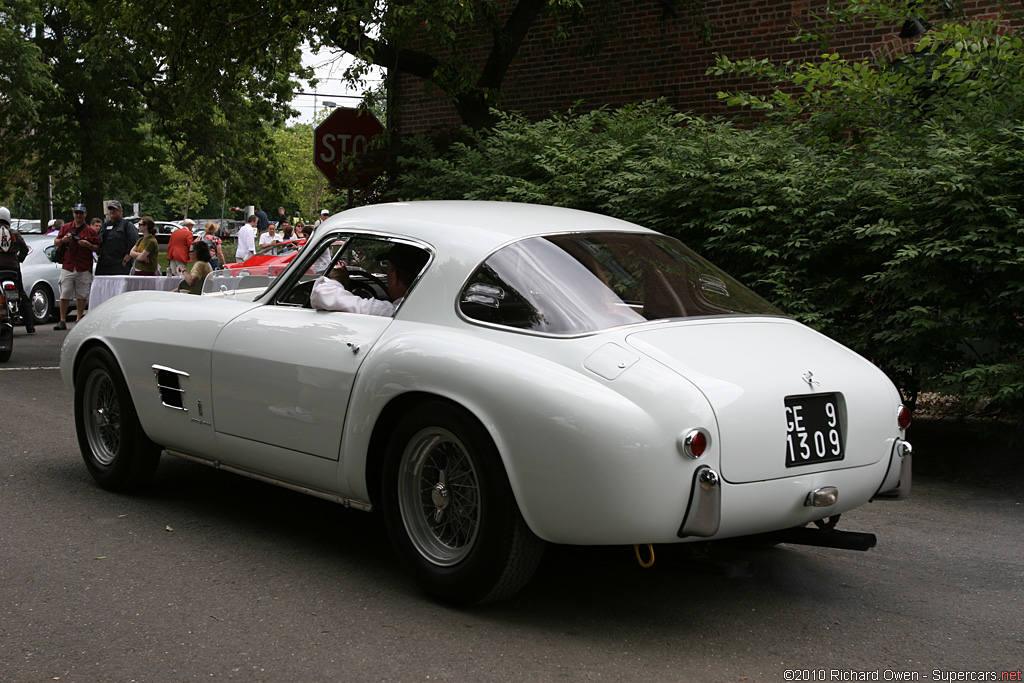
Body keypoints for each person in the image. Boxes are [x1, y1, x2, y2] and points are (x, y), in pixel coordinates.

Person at [310, 243, 428, 316]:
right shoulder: (429, 310)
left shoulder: (389, 311)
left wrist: (338, 278)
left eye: (387, 269)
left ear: (395, 276)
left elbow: (322, 295)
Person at [53, 203, 100, 330]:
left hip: (83, 266)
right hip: (68, 265)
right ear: (73, 213)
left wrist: (88, 245)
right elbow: (56, 242)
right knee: (65, 293)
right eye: (76, 212)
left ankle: (79, 318)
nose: (78, 215)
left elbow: (98, 247)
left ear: (85, 214)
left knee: (82, 294)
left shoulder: (90, 230)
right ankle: (62, 320)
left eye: (81, 213)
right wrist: (63, 240)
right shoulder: (66, 228)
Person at [0, 206, 35, 333]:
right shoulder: (14, 233)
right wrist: (19, 259)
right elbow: (25, 249)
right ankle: (30, 326)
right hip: (13, 269)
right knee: (21, 293)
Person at [95, 200, 138, 275]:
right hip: (104, 264)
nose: (112, 211)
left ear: (121, 211)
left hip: (119, 264)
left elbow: (134, 243)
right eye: (110, 209)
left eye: (115, 209)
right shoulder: (104, 226)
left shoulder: (127, 225)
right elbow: (99, 242)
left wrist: (126, 260)